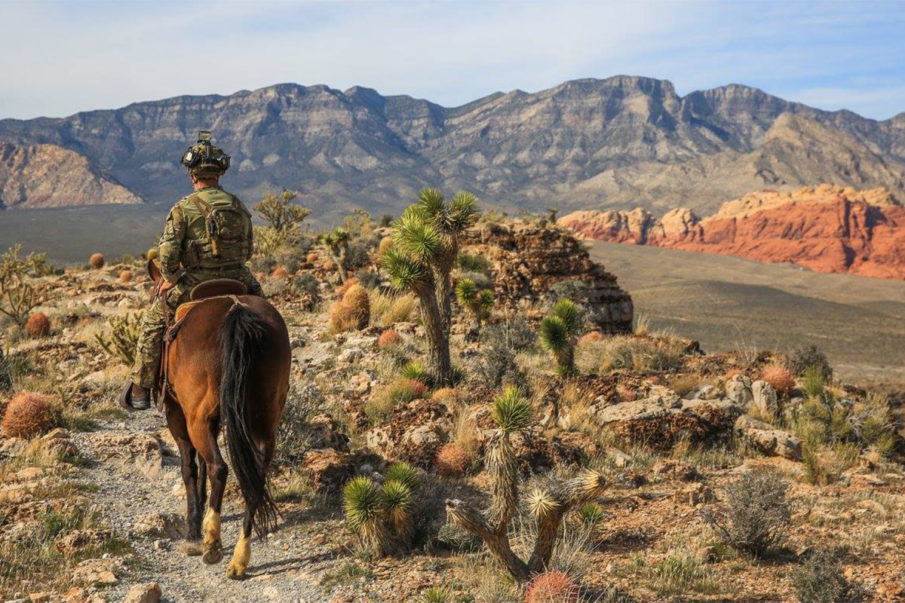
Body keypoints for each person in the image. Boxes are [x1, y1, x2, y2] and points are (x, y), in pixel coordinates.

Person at [122, 131, 263, 410]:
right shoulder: (238, 205)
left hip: (195, 281)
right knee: (266, 313)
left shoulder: (183, 208)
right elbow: (248, 250)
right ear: (219, 175)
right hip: (238, 277)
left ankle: (141, 387)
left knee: (152, 324)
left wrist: (171, 278)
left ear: (192, 175)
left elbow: (167, 253)